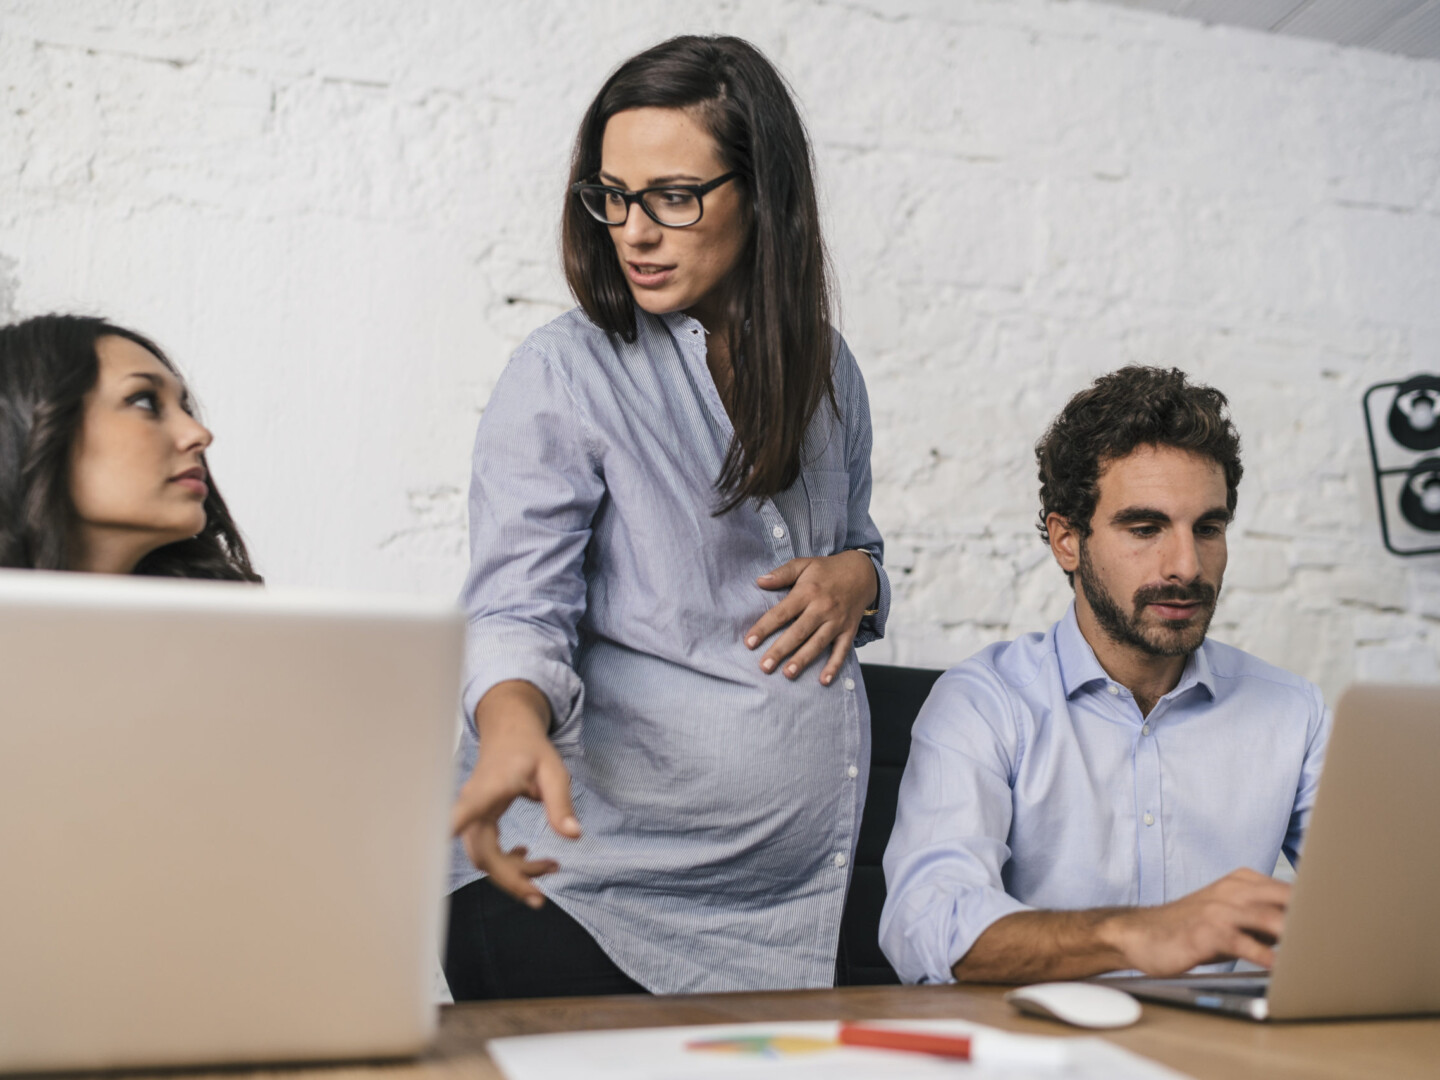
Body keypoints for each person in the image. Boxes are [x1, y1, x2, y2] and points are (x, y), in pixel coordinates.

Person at [445, 35, 890, 999]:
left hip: (778, 916)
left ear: (763, 195)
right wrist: (511, 728)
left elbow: (853, 543)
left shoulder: (830, 374)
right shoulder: (562, 372)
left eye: (673, 196)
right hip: (586, 896)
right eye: (611, 195)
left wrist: (860, 574)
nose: (634, 231)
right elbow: (516, 610)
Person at [880, 366, 1329, 985]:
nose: (1186, 565)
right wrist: (1137, 933)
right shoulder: (985, 702)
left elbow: (1384, 906)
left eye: (1209, 527)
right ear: (1067, 540)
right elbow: (925, 926)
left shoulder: (1293, 713)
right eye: (1145, 529)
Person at [0, 314, 259, 581]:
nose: (199, 434)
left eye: (185, 409)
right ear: (33, 427)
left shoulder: (223, 621)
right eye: (146, 402)